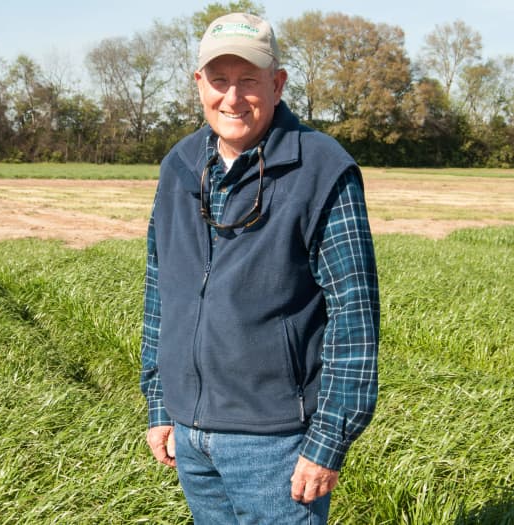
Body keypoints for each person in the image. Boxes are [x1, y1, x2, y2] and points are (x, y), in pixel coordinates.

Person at [140, 12, 379, 524]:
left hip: (276, 444)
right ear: (199, 83)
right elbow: (163, 290)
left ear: (277, 83)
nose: (232, 97)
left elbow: (354, 314)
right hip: (192, 439)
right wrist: (161, 404)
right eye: (220, 79)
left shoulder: (321, 168)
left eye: (248, 80)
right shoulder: (179, 165)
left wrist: (328, 440)